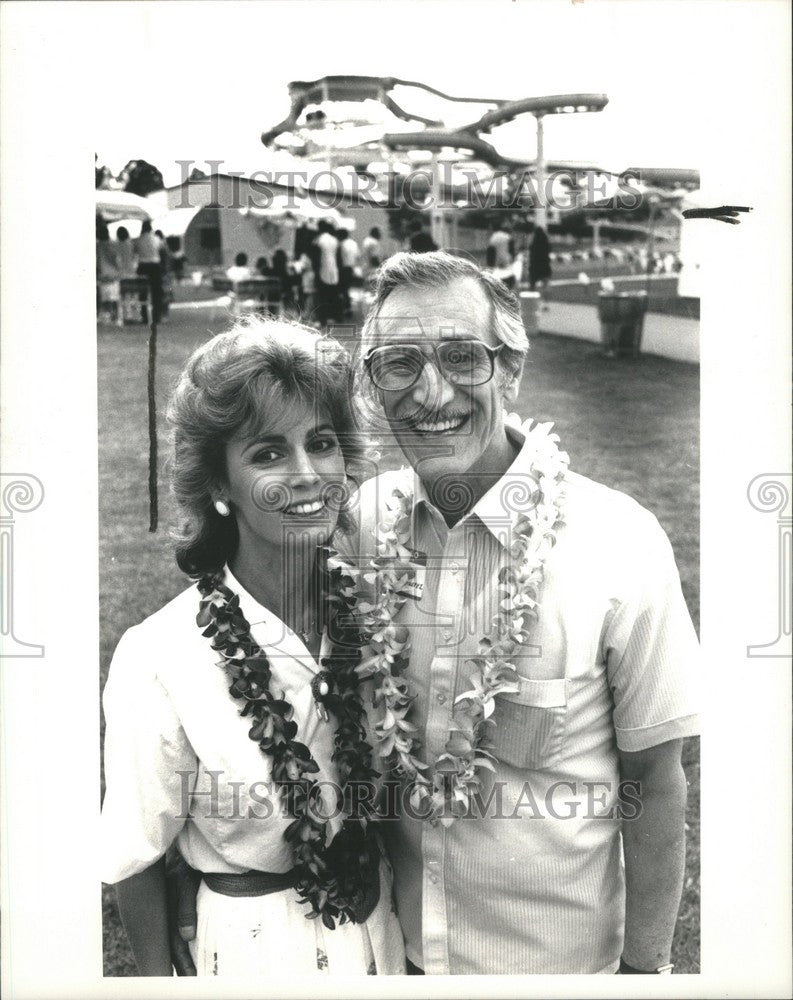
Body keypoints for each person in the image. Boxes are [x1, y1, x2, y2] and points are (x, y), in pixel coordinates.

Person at [170, 254, 700, 976]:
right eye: (398, 363)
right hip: (393, 953)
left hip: (557, 969)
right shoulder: (355, 523)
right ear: (370, 384)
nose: (430, 392)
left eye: (461, 357)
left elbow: (654, 776)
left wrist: (645, 971)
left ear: (510, 369)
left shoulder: (619, 545)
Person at [101, 319, 406, 977]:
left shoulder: (378, 616)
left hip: (381, 936)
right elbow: (136, 859)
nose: (306, 475)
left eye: (320, 444)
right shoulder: (160, 658)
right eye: (268, 453)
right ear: (218, 485)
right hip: (252, 952)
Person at [135, 220, 165, 323]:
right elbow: (162, 249)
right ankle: (156, 316)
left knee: (142, 292)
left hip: (142, 266)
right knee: (156, 293)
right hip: (155, 266)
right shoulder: (156, 239)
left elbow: (135, 251)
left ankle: (144, 316)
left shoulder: (138, 240)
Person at [312, 220, 341, 326]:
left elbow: (316, 259)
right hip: (334, 271)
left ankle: (322, 319)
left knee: (321, 296)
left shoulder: (318, 240)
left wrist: (316, 272)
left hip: (322, 271)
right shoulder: (335, 240)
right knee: (331, 295)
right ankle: (332, 317)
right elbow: (338, 257)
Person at [336, 228, 359, 318]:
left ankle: (344, 309)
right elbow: (357, 256)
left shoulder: (341, 244)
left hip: (342, 269)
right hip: (350, 268)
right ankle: (348, 308)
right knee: (346, 289)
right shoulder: (354, 243)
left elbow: (339, 258)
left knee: (342, 290)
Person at [528, 225, 552, 294]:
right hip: (545, 264)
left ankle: (532, 298)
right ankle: (546, 300)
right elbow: (549, 251)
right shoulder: (546, 242)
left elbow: (531, 254)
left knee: (532, 284)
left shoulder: (533, 243)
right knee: (545, 284)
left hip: (535, 265)